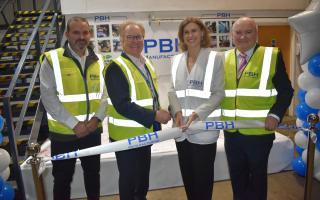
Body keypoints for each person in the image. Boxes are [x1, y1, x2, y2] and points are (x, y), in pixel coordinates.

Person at [222, 17, 294, 200]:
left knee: (257, 179)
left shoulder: (271, 55)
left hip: (259, 132)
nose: (242, 36)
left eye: (248, 32)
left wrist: (276, 115)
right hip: (232, 132)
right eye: (238, 32)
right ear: (232, 35)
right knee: (237, 177)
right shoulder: (225, 58)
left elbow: (286, 91)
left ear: (256, 34)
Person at [39, 16, 107, 200]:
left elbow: (105, 96)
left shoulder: (99, 60)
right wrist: (74, 124)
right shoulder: (52, 60)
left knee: (93, 176)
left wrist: (96, 120)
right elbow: (48, 98)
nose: (81, 37)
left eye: (85, 32)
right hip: (64, 134)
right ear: (67, 34)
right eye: (76, 32)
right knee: (62, 180)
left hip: (92, 131)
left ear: (90, 35)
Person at [104, 21, 171, 200]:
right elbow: (122, 105)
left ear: (143, 38)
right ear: (121, 40)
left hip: (144, 132)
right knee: (129, 182)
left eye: (138, 37)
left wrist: (159, 108)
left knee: (142, 181)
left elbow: (150, 94)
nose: (135, 41)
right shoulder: (115, 67)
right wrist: (155, 115)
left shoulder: (145, 63)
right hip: (126, 137)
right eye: (130, 37)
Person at [168, 17, 225, 200]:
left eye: (194, 31)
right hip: (181, 129)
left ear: (202, 33)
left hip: (203, 128)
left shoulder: (215, 58)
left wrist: (197, 113)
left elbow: (219, 93)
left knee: (203, 179)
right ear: (182, 36)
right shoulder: (176, 60)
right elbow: (171, 90)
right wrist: (176, 112)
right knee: (188, 177)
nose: (190, 35)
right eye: (186, 32)